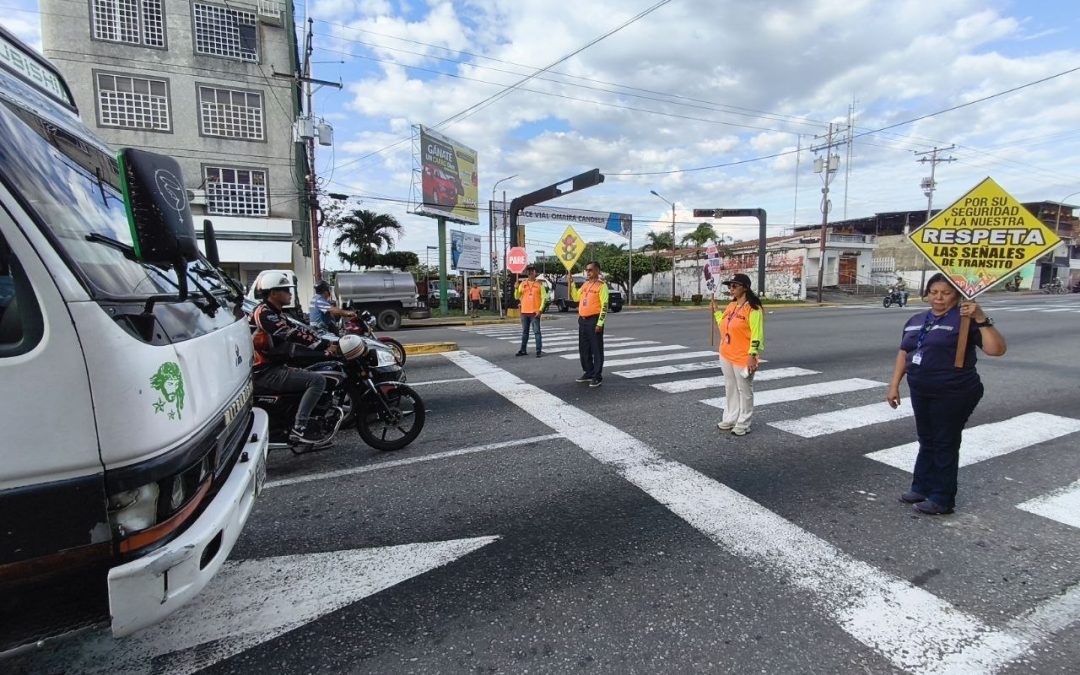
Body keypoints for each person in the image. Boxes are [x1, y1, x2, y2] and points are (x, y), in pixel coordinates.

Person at [886, 272, 1006, 515]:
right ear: (927, 294)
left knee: (944, 442)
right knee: (926, 439)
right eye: (934, 292)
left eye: (946, 293)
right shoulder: (916, 319)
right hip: (921, 389)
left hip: (954, 391)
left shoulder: (965, 320)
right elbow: (904, 352)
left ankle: (942, 498)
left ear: (957, 296)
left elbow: (996, 350)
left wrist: (981, 318)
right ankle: (921, 486)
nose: (939, 297)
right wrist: (894, 384)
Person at [251, 272, 338, 444]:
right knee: (317, 381)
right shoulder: (264, 314)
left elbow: (301, 330)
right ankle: (300, 428)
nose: (290, 294)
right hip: (265, 371)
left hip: (274, 365)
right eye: (285, 290)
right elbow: (292, 334)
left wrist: (327, 342)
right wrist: (323, 346)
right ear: (273, 293)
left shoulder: (276, 313)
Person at [710, 273, 765, 436]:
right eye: (729, 286)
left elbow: (757, 334)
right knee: (730, 387)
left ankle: (744, 422)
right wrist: (716, 312)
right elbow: (724, 327)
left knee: (744, 389)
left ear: (745, 288)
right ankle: (731, 417)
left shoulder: (754, 309)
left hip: (743, 356)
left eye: (735, 286)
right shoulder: (731, 306)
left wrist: (752, 354)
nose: (731, 289)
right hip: (726, 353)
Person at [571, 261, 609, 387]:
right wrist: (571, 285)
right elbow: (576, 298)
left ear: (597, 271)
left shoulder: (602, 286)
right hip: (583, 320)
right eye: (587, 270)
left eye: (590, 270)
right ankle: (588, 371)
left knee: (596, 349)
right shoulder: (585, 284)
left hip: (594, 320)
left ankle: (597, 376)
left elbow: (604, 305)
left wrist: (600, 323)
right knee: (584, 349)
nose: (588, 272)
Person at [514, 265, 547, 357]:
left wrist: (540, 310)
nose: (530, 273)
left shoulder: (539, 285)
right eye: (528, 271)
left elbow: (544, 298)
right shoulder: (523, 284)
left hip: (535, 313)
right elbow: (517, 296)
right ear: (527, 273)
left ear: (535, 273)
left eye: (532, 271)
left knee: (537, 332)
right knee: (525, 332)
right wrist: (516, 288)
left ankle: (538, 351)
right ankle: (523, 350)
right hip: (524, 312)